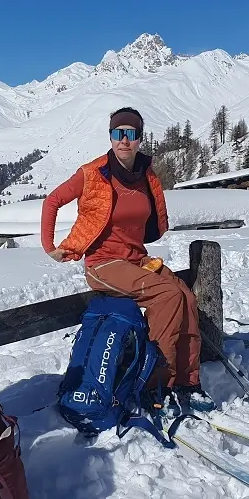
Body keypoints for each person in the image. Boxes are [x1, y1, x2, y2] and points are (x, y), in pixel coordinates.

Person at [41, 106, 215, 420]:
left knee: (186, 298)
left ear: (139, 138)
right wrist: (48, 245)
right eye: (118, 133)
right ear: (110, 137)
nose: (124, 140)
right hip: (104, 263)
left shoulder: (146, 175)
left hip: (136, 259)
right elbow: (52, 201)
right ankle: (153, 384)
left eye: (131, 134)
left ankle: (187, 381)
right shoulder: (92, 174)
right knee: (168, 296)